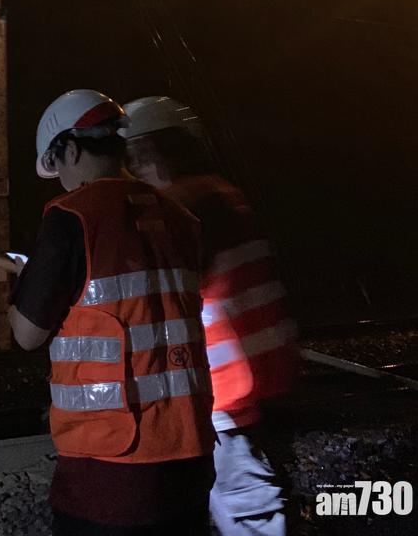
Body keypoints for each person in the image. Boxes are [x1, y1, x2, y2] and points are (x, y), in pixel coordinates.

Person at [9, 88, 216, 536]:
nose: (62, 177)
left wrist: (28, 279)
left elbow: (26, 333)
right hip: (191, 454)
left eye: (58, 162)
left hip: (112, 465)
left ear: (70, 147)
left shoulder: (71, 217)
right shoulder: (180, 216)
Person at [121, 96, 299, 536]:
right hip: (250, 377)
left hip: (223, 387)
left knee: (246, 506)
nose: (136, 166)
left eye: (140, 153)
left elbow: (152, 282)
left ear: (161, 151)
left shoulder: (186, 205)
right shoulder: (221, 193)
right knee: (237, 495)